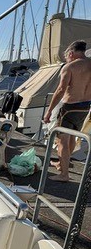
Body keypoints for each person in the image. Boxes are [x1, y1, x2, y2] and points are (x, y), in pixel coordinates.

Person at [43, 40, 91, 182]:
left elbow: (60, 90)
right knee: (72, 136)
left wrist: (49, 111)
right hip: (85, 107)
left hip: (69, 108)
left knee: (62, 140)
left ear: (71, 53)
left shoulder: (69, 67)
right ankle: (62, 163)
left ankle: (64, 174)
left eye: (66, 56)